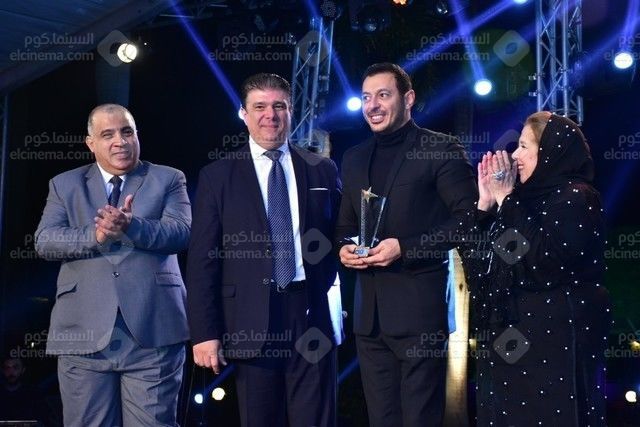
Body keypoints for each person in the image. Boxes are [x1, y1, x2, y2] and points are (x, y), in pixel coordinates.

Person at [186, 73, 342, 427]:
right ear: (244, 113)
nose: (270, 115)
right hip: (249, 319)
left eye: (278, 106)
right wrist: (205, 333)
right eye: (259, 107)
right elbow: (202, 262)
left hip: (312, 315)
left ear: (290, 111)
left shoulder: (322, 169)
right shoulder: (217, 176)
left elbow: (339, 238)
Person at [335, 63, 478, 426]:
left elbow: (468, 220)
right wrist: (344, 248)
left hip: (420, 317)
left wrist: (405, 248)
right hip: (369, 320)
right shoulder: (353, 158)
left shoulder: (440, 148)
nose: (373, 105)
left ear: (408, 98)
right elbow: (345, 226)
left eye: (383, 95)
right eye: (366, 97)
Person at [34, 104, 191, 426]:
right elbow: (45, 241)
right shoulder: (64, 184)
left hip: (154, 331)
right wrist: (96, 235)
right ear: (90, 143)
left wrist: (131, 226)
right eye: (108, 134)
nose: (120, 141)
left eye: (127, 131)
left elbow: (181, 234)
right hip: (82, 334)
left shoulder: (169, 178)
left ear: (137, 136)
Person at [461, 111, 610, 425]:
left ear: (551, 151)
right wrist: (485, 206)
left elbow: (544, 263)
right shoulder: (517, 203)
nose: (514, 155)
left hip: (552, 351)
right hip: (507, 349)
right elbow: (480, 275)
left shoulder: (576, 198)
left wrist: (506, 199)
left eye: (524, 146)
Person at [0, 357, 46, 423]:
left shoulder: (33, 394)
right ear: (3, 370)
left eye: (15, 367)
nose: (11, 372)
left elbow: (42, 419)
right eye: (7, 368)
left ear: (23, 370)